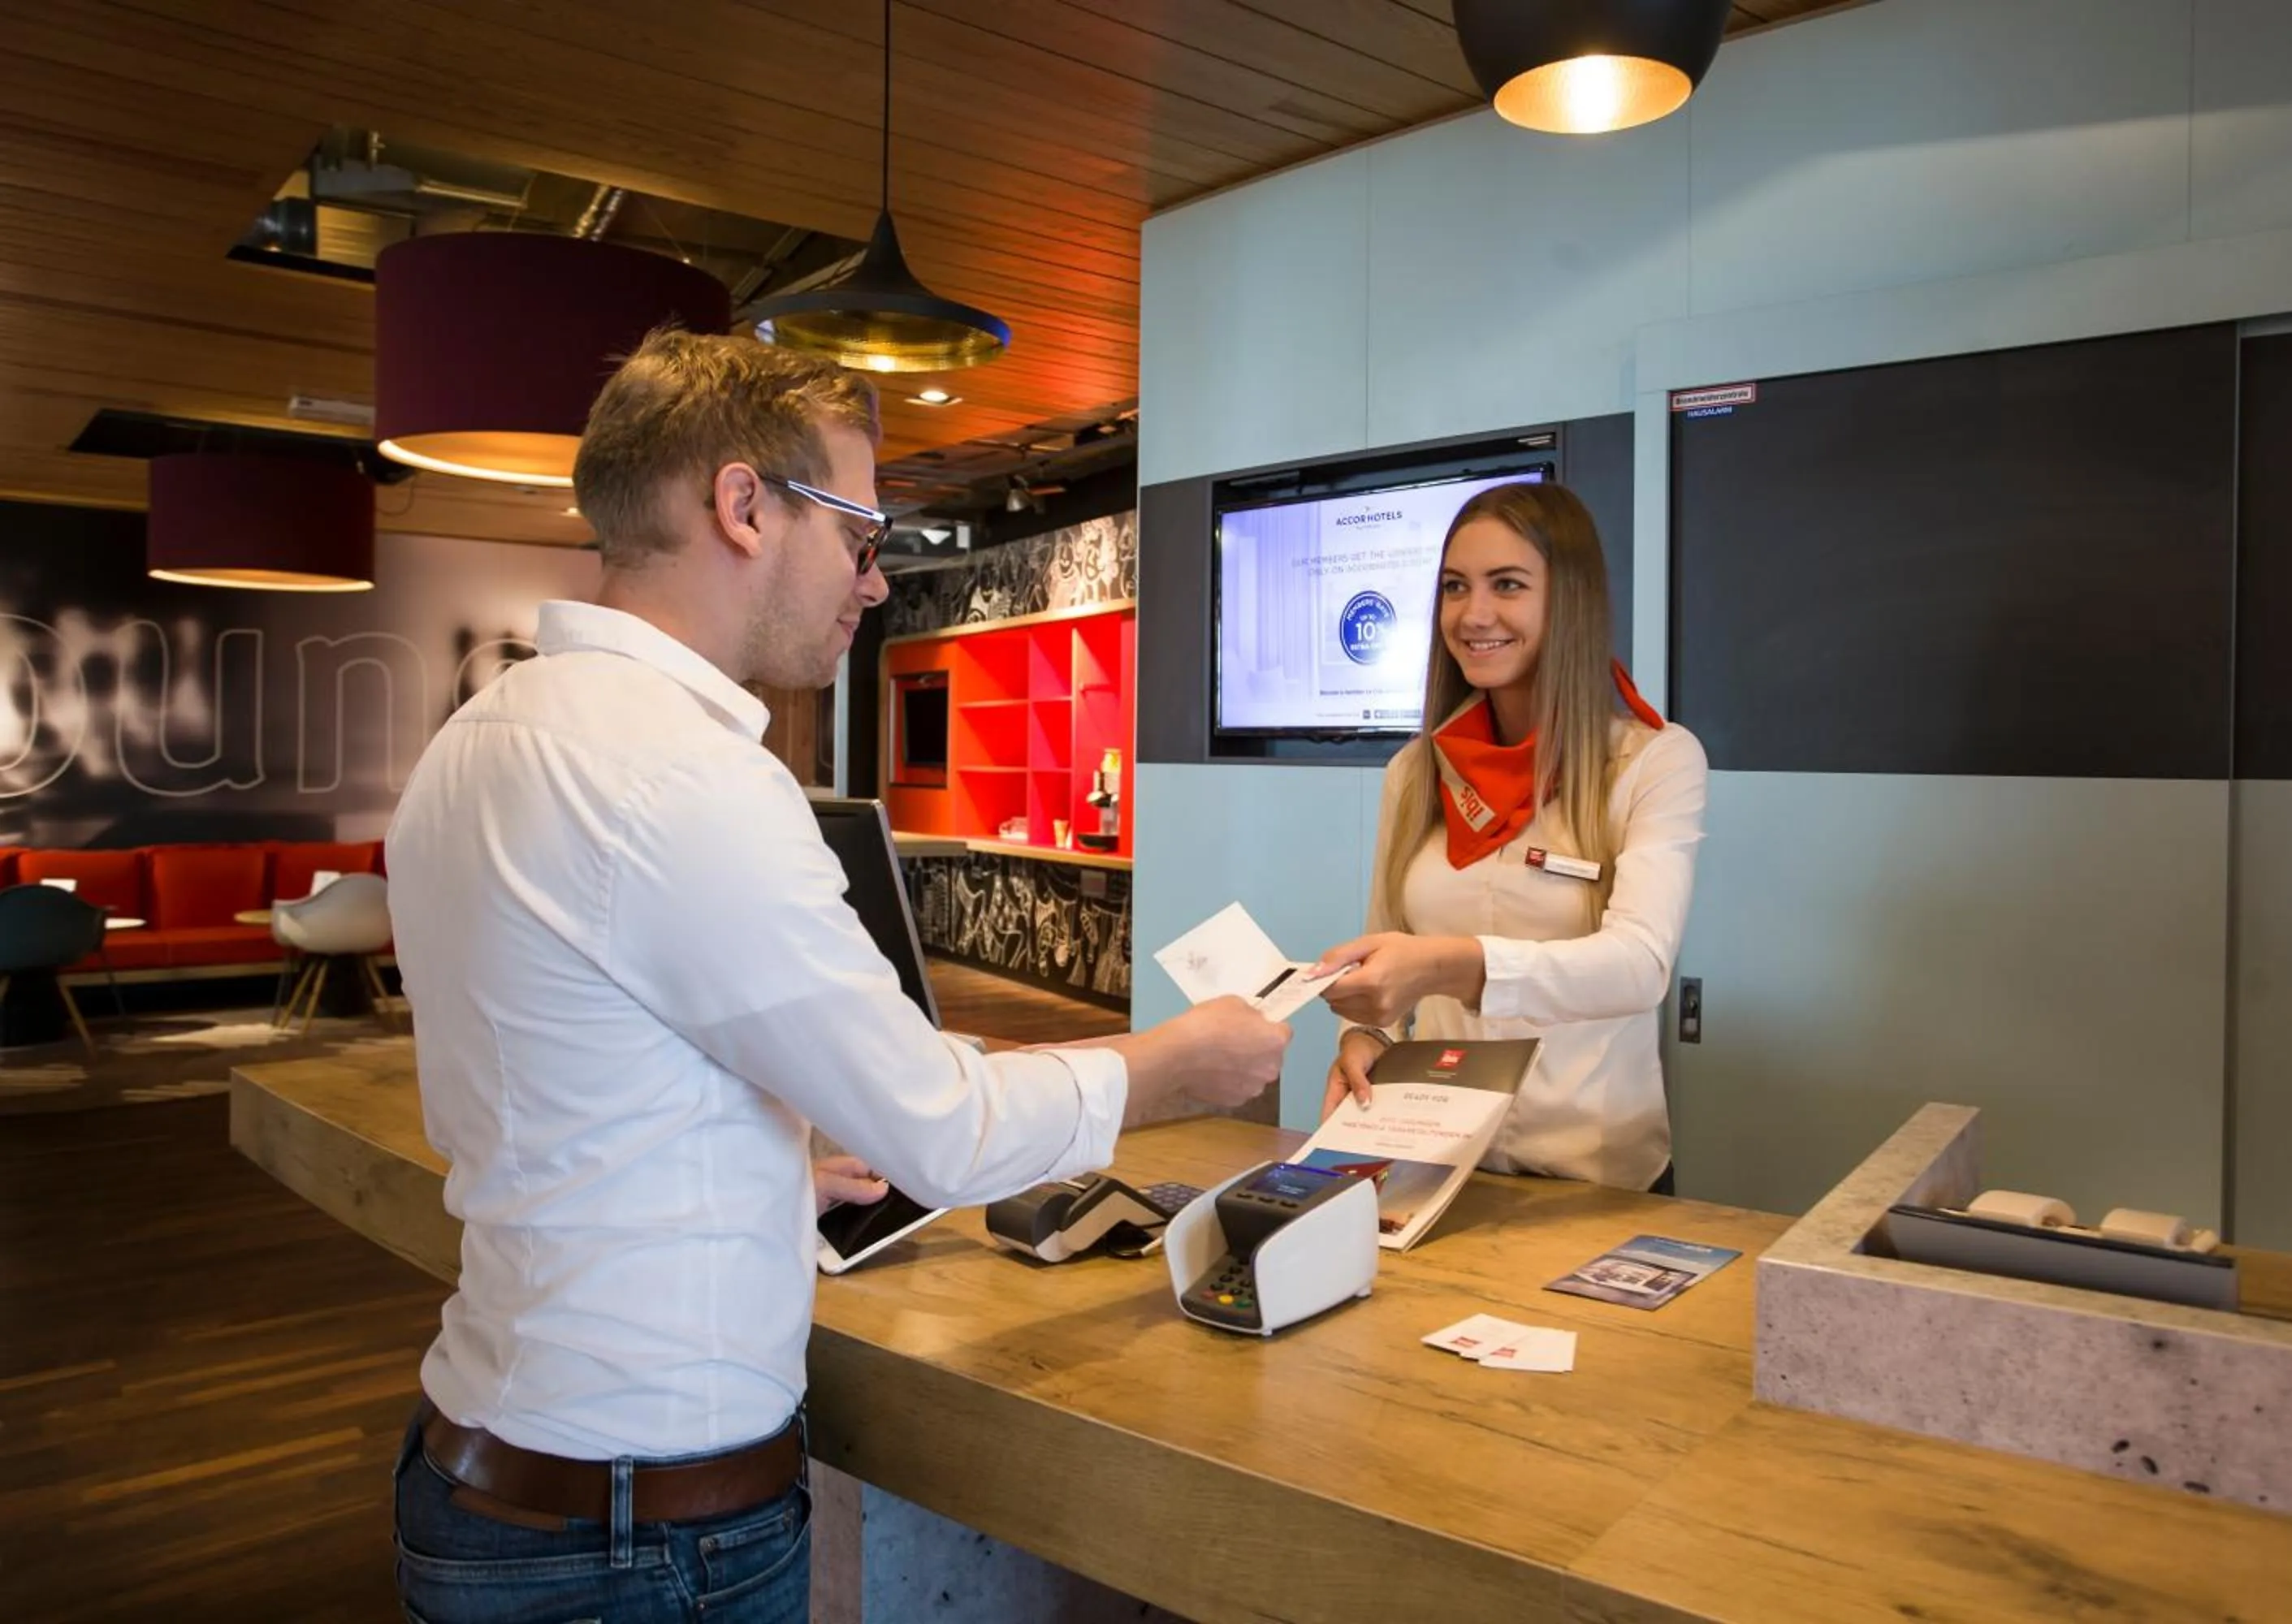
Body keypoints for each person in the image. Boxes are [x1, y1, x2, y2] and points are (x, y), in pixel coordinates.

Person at [383, 327, 1289, 1624]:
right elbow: (947, 1128)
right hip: (641, 1535)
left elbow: (564, 1088)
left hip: (486, 1470)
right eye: (862, 537)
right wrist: (1180, 1063)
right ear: (744, 505)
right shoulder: (685, 775)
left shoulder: (478, 744)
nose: (875, 585)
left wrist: (754, 1168)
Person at [1313, 480, 1706, 1194]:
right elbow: (1386, 955)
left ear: (1570, 600)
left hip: (1595, 1179)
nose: (1474, 614)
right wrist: (1364, 1037)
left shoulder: (1653, 760)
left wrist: (1441, 966)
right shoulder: (1415, 772)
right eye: (1456, 587)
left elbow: (1639, 966)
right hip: (1433, 1163)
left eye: (1509, 585)